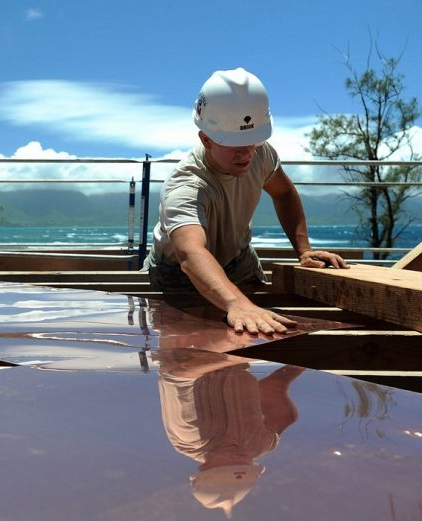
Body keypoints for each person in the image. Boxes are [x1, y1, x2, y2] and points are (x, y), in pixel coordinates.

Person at [143, 68, 349, 335]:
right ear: (206, 139)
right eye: (234, 144)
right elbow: (191, 254)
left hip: (236, 260)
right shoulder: (187, 186)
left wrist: (303, 250)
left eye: (253, 141)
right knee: (194, 356)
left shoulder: (259, 153)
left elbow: (284, 193)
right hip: (178, 275)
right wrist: (236, 303)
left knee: (255, 339)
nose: (246, 153)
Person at [156, 348, 305, 518]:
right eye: (246, 465)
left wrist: (234, 357)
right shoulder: (257, 447)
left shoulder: (191, 436)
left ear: (205, 466)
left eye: (232, 463)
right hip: (236, 357)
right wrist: (291, 370)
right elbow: (286, 417)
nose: (243, 457)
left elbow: (177, 375)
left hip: (188, 349)